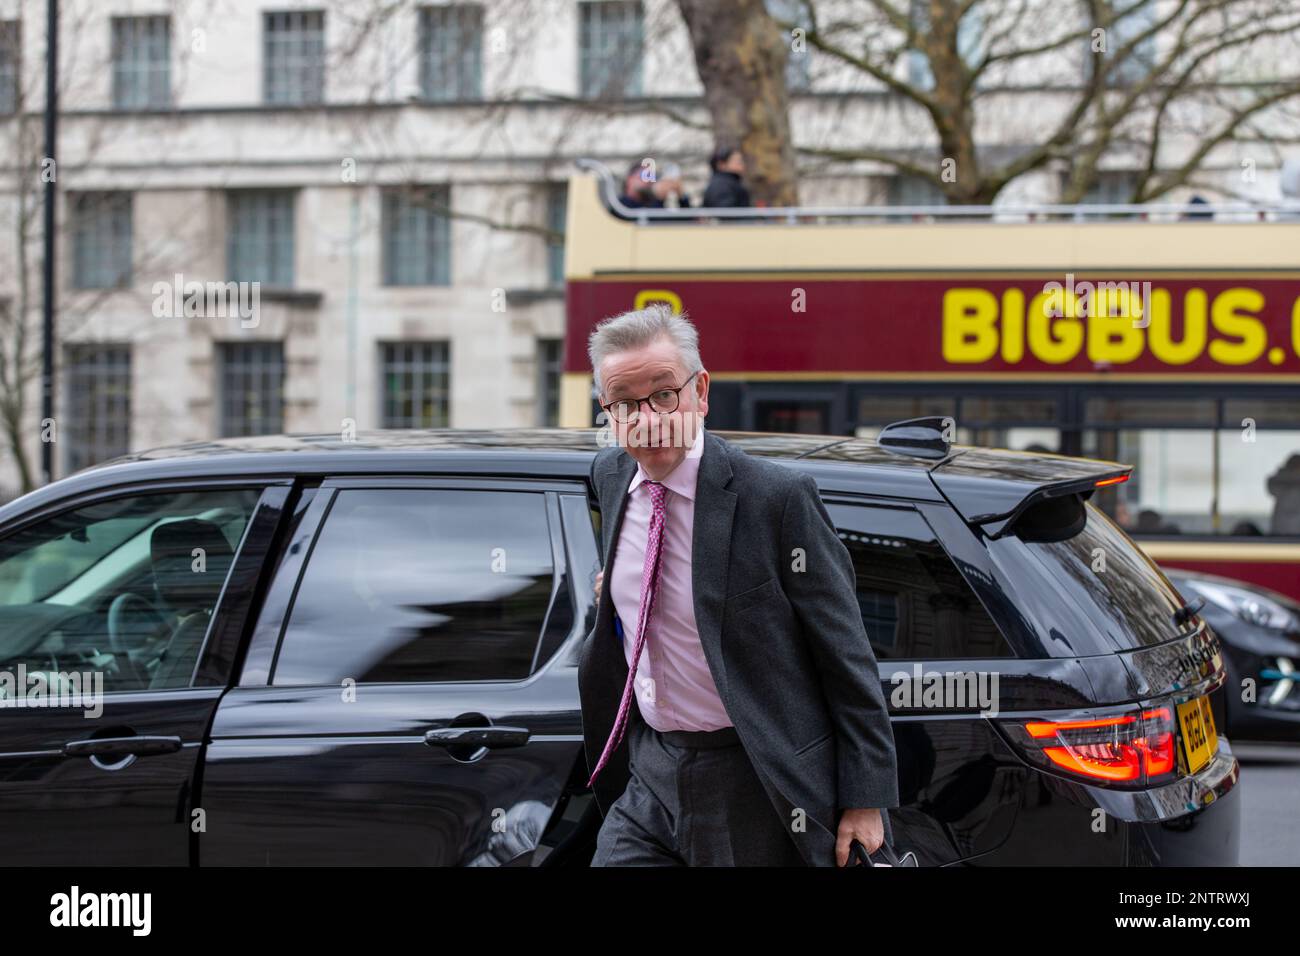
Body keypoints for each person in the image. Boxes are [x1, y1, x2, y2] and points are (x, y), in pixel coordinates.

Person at [579, 303, 899, 866]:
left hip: (750, 770)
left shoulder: (774, 499)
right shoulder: (610, 477)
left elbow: (846, 653)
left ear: (700, 391)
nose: (646, 418)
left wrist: (866, 799)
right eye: (624, 403)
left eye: (662, 394)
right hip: (651, 767)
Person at [617, 160, 691, 212]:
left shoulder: (651, 202)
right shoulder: (620, 205)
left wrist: (681, 196)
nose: (649, 180)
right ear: (630, 179)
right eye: (645, 175)